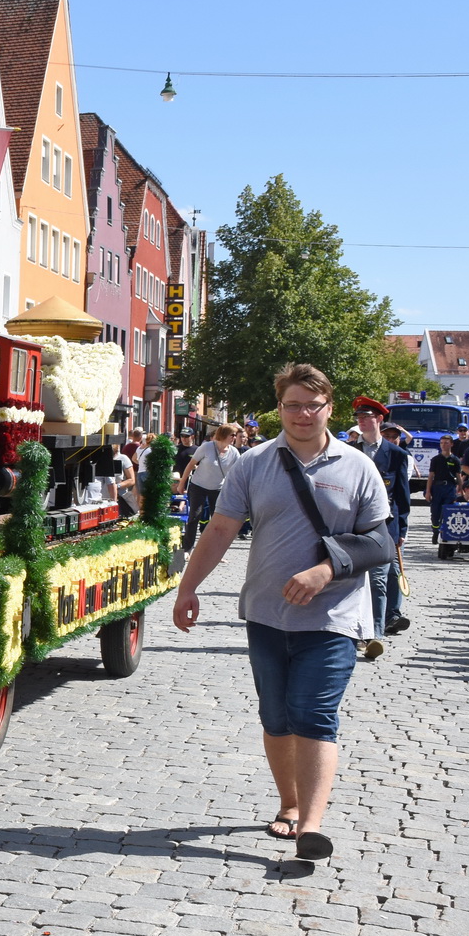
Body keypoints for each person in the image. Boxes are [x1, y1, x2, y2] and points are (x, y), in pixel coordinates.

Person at [172, 363, 389, 864]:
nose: (303, 414)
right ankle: (289, 804)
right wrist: (188, 587)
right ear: (280, 408)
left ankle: (312, 825)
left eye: (313, 405)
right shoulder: (253, 463)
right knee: (276, 716)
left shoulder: (357, 466)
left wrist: (323, 572)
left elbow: (380, 542)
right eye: (293, 404)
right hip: (267, 614)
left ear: (329, 407)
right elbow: (221, 528)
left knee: (313, 713)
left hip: (334, 616)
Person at [348, 398, 411, 646]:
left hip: (384, 525)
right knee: (352, 580)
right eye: (359, 418)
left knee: (378, 580)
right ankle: (352, 629)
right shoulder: (350, 450)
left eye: (366, 417)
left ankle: (374, 633)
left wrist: (401, 529)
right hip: (353, 525)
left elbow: (403, 497)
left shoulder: (396, 454)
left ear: (379, 420)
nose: (361, 421)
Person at [177, 423, 241, 552]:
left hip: (218, 488)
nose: (234, 438)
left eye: (235, 435)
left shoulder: (234, 452)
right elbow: (191, 465)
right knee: (195, 516)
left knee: (217, 520)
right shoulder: (206, 447)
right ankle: (187, 549)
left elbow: (238, 472)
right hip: (198, 486)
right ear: (223, 435)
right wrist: (182, 483)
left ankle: (215, 551)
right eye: (232, 435)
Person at [426, 435, 462, 543]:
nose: (443, 445)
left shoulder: (455, 460)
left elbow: (459, 476)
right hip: (437, 487)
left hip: (450, 488)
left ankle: (445, 534)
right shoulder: (436, 459)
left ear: (451, 444)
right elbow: (431, 476)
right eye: (441, 443)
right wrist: (428, 491)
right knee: (435, 512)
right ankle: (435, 531)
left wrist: (461, 489)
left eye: (446, 443)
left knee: (448, 511)